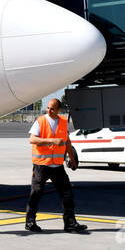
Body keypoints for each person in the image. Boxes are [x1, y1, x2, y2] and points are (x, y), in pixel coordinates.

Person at [25, 97, 89, 233]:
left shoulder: (63, 122)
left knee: (67, 194)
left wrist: (72, 160)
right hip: (41, 164)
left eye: (52, 108)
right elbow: (32, 139)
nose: (49, 110)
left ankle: (70, 223)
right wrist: (52, 141)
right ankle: (30, 222)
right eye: (48, 108)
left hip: (57, 166)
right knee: (36, 193)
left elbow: (67, 142)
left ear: (58, 110)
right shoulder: (40, 121)